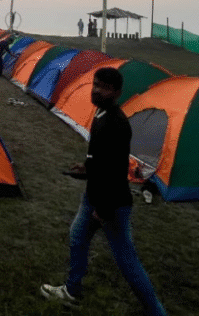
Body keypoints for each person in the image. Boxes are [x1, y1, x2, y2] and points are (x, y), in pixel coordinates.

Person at [40, 67, 167, 315]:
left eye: (104, 87)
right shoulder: (100, 113)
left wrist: (103, 209)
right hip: (94, 196)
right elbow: (101, 157)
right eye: (95, 84)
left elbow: (116, 170)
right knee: (77, 236)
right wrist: (87, 166)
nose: (97, 90)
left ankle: (156, 312)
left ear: (116, 92)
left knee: (126, 260)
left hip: (111, 204)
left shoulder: (116, 123)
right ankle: (72, 290)